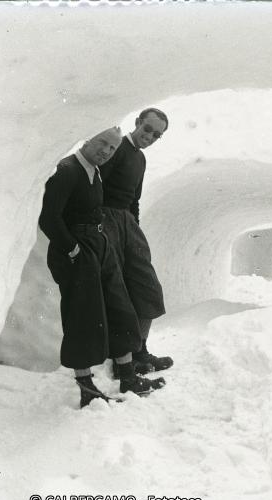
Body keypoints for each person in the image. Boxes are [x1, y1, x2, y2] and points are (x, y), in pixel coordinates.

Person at [38, 127, 164, 407]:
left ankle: (128, 377)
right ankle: (87, 388)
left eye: (111, 148)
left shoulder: (93, 172)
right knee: (82, 317)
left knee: (120, 307)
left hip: (98, 245)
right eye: (102, 143)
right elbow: (49, 217)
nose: (106, 151)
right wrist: (72, 248)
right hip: (76, 251)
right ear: (87, 138)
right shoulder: (68, 170)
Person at [98, 108, 173, 376]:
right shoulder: (115, 148)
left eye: (157, 135)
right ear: (137, 123)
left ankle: (140, 351)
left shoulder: (140, 160)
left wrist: (134, 231)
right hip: (105, 221)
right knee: (117, 293)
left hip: (127, 224)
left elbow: (134, 200)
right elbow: (95, 187)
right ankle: (123, 361)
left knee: (147, 287)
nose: (150, 136)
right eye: (148, 129)